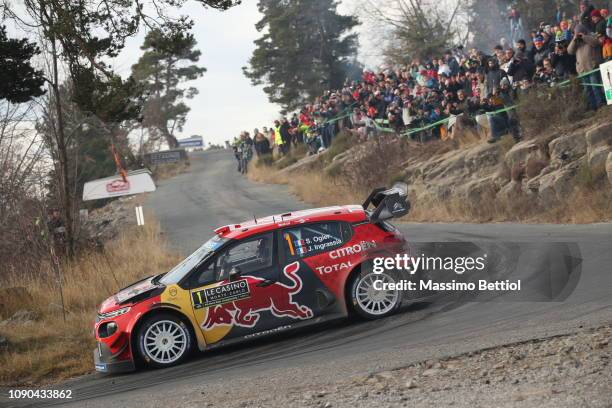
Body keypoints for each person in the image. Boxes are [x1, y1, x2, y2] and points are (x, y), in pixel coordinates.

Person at [568, 24, 605, 109]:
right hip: (582, 69)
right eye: (577, 33)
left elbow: (596, 43)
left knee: (595, 87)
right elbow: (570, 51)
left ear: (583, 31)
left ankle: (601, 105)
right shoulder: (576, 41)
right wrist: (574, 39)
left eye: (579, 33)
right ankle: (593, 107)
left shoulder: (591, 36)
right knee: (588, 89)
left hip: (592, 67)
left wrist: (584, 37)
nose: (578, 35)